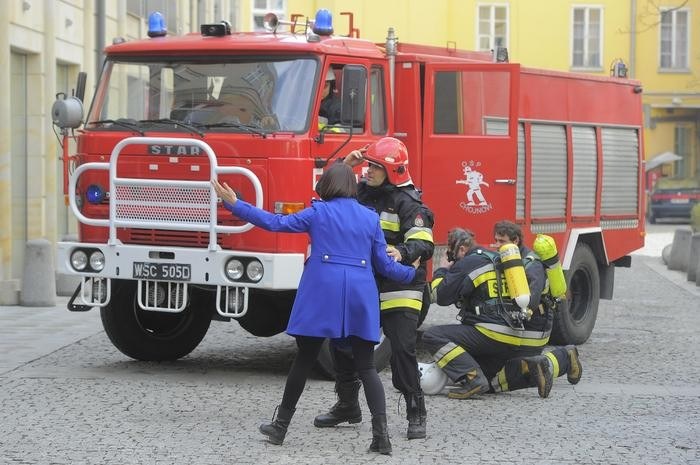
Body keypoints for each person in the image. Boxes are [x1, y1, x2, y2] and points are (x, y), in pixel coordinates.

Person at [212, 163, 418, 456]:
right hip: (359, 291)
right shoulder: (369, 218)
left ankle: (280, 426)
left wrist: (236, 204)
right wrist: (411, 274)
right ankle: (381, 436)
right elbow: (384, 265)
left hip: (323, 290)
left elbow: (275, 223)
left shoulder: (318, 212)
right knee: (367, 367)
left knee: (304, 358)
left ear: (328, 186)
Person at [314, 137, 434, 440]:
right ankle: (347, 404)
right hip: (366, 280)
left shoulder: (410, 203)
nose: (368, 171)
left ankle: (415, 411)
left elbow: (424, 242)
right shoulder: (361, 191)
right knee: (341, 339)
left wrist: (403, 253)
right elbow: (324, 198)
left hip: (400, 283)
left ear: (392, 171)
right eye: (368, 164)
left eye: (375, 167)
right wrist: (345, 166)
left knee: (402, 347)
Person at [421, 222, 582, 399]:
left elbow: (440, 295)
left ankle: (472, 378)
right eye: (496, 240)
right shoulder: (501, 261)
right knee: (492, 382)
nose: (498, 245)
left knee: (433, 335)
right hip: (515, 330)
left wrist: (442, 268)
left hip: (528, 331)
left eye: (501, 241)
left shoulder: (530, 263)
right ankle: (542, 363)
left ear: (462, 249)